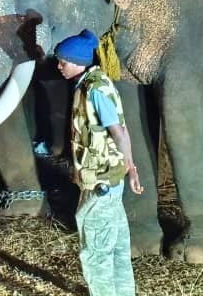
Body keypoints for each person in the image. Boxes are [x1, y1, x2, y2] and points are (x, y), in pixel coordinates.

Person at [54, 30, 144, 296]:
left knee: (96, 253)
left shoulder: (93, 90)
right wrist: (130, 169)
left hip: (101, 183)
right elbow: (121, 131)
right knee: (116, 248)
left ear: (79, 62)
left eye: (63, 62)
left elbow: (118, 131)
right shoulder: (96, 82)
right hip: (110, 180)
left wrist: (131, 169)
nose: (59, 66)